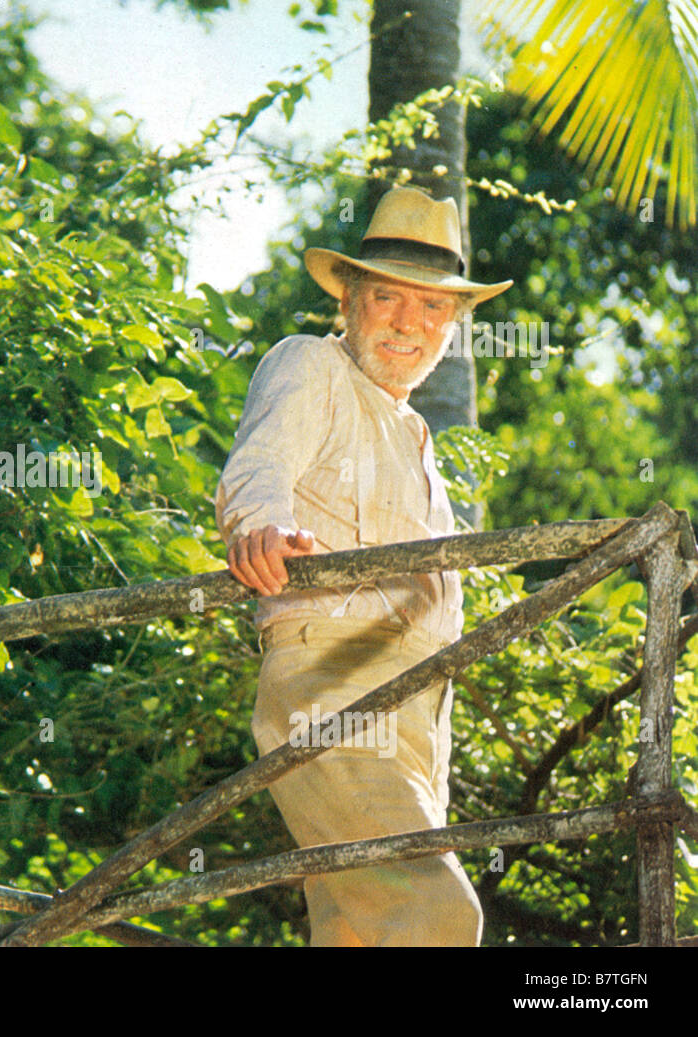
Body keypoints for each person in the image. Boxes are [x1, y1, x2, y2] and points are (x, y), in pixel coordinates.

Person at [215, 185, 512, 946]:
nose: (409, 323)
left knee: (357, 935)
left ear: (453, 324)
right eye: (388, 297)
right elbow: (261, 466)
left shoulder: (421, 443)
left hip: (415, 726)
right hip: (331, 686)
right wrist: (261, 528)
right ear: (349, 298)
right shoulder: (310, 365)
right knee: (436, 914)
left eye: (434, 307)